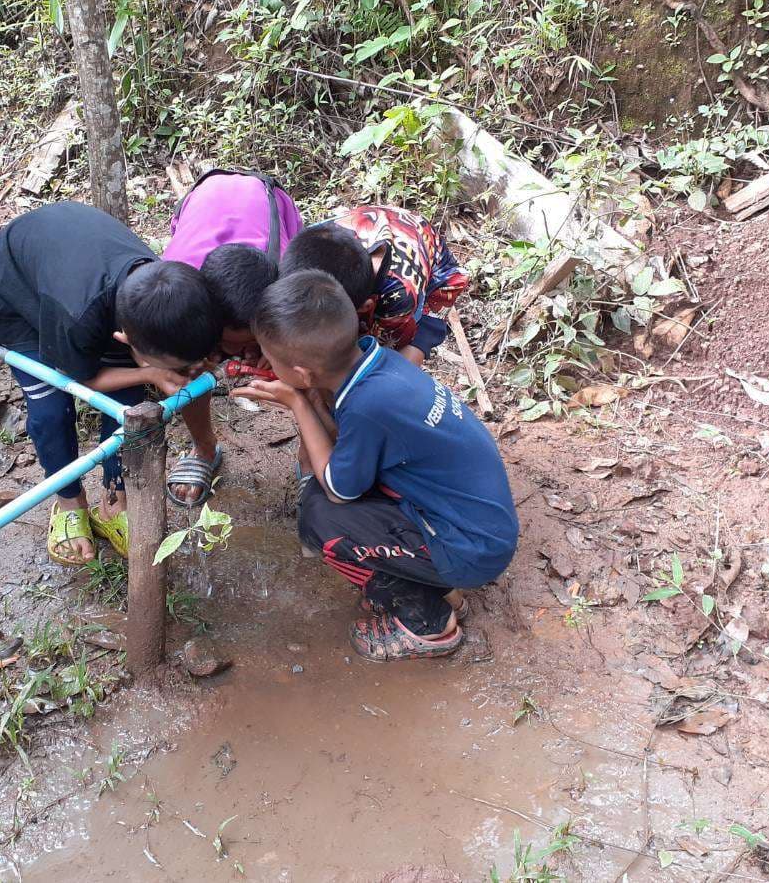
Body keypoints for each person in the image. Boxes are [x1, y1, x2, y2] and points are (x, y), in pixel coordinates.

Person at [232, 271, 518, 662]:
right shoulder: (377, 362)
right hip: (477, 527)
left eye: (273, 358)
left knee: (321, 517)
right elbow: (347, 446)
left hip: (470, 549)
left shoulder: (369, 407)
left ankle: (430, 622)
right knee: (341, 491)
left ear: (300, 373)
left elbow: (338, 487)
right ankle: (443, 585)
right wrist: (312, 397)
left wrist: (298, 405)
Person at [0, 202, 222, 565]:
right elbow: (83, 380)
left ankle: (114, 499)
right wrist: (149, 373)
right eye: (166, 365)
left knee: (128, 403)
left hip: (73, 272)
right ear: (125, 338)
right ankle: (69, 504)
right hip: (14, 290)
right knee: (51, 407)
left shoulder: (165, 290)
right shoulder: (78, 319)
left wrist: (150, 372)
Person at [162, 170, 303, 507]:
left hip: (266, 204)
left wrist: (273, 350)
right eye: (230, 345)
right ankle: (204, 449)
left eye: (250, 342)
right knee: (189, 366)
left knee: (302, 355)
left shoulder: (289, 282)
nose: (237, 354)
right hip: (204, 204)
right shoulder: (176, 294)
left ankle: (311, 457)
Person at [279, 204, 468, 366]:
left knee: (397, 368)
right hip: (377, 224)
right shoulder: (306, 247)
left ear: (365, 307)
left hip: (439, 278)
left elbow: (369, 357)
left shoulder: (400, 298)